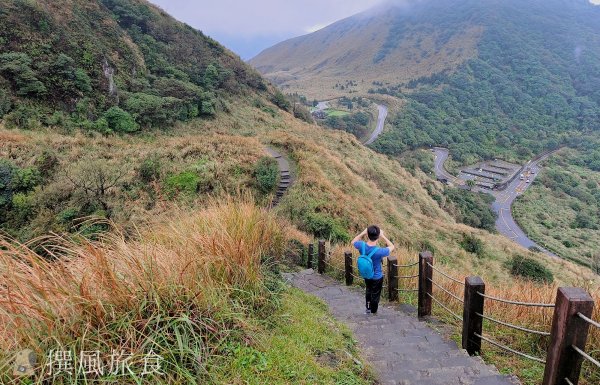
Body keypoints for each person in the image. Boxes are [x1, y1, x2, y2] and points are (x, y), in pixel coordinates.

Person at [351, 225, 395, 315]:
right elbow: (392, 246)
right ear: (378, 236)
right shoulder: (379, 251)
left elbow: (353, 242)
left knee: (368, 290)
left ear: (367, 235)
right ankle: (373, 310)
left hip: (366, 274)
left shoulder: (361, 245)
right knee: (375, 294)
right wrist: (383, 236)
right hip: (377, 276)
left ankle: (368, 308)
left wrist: (363, 233)